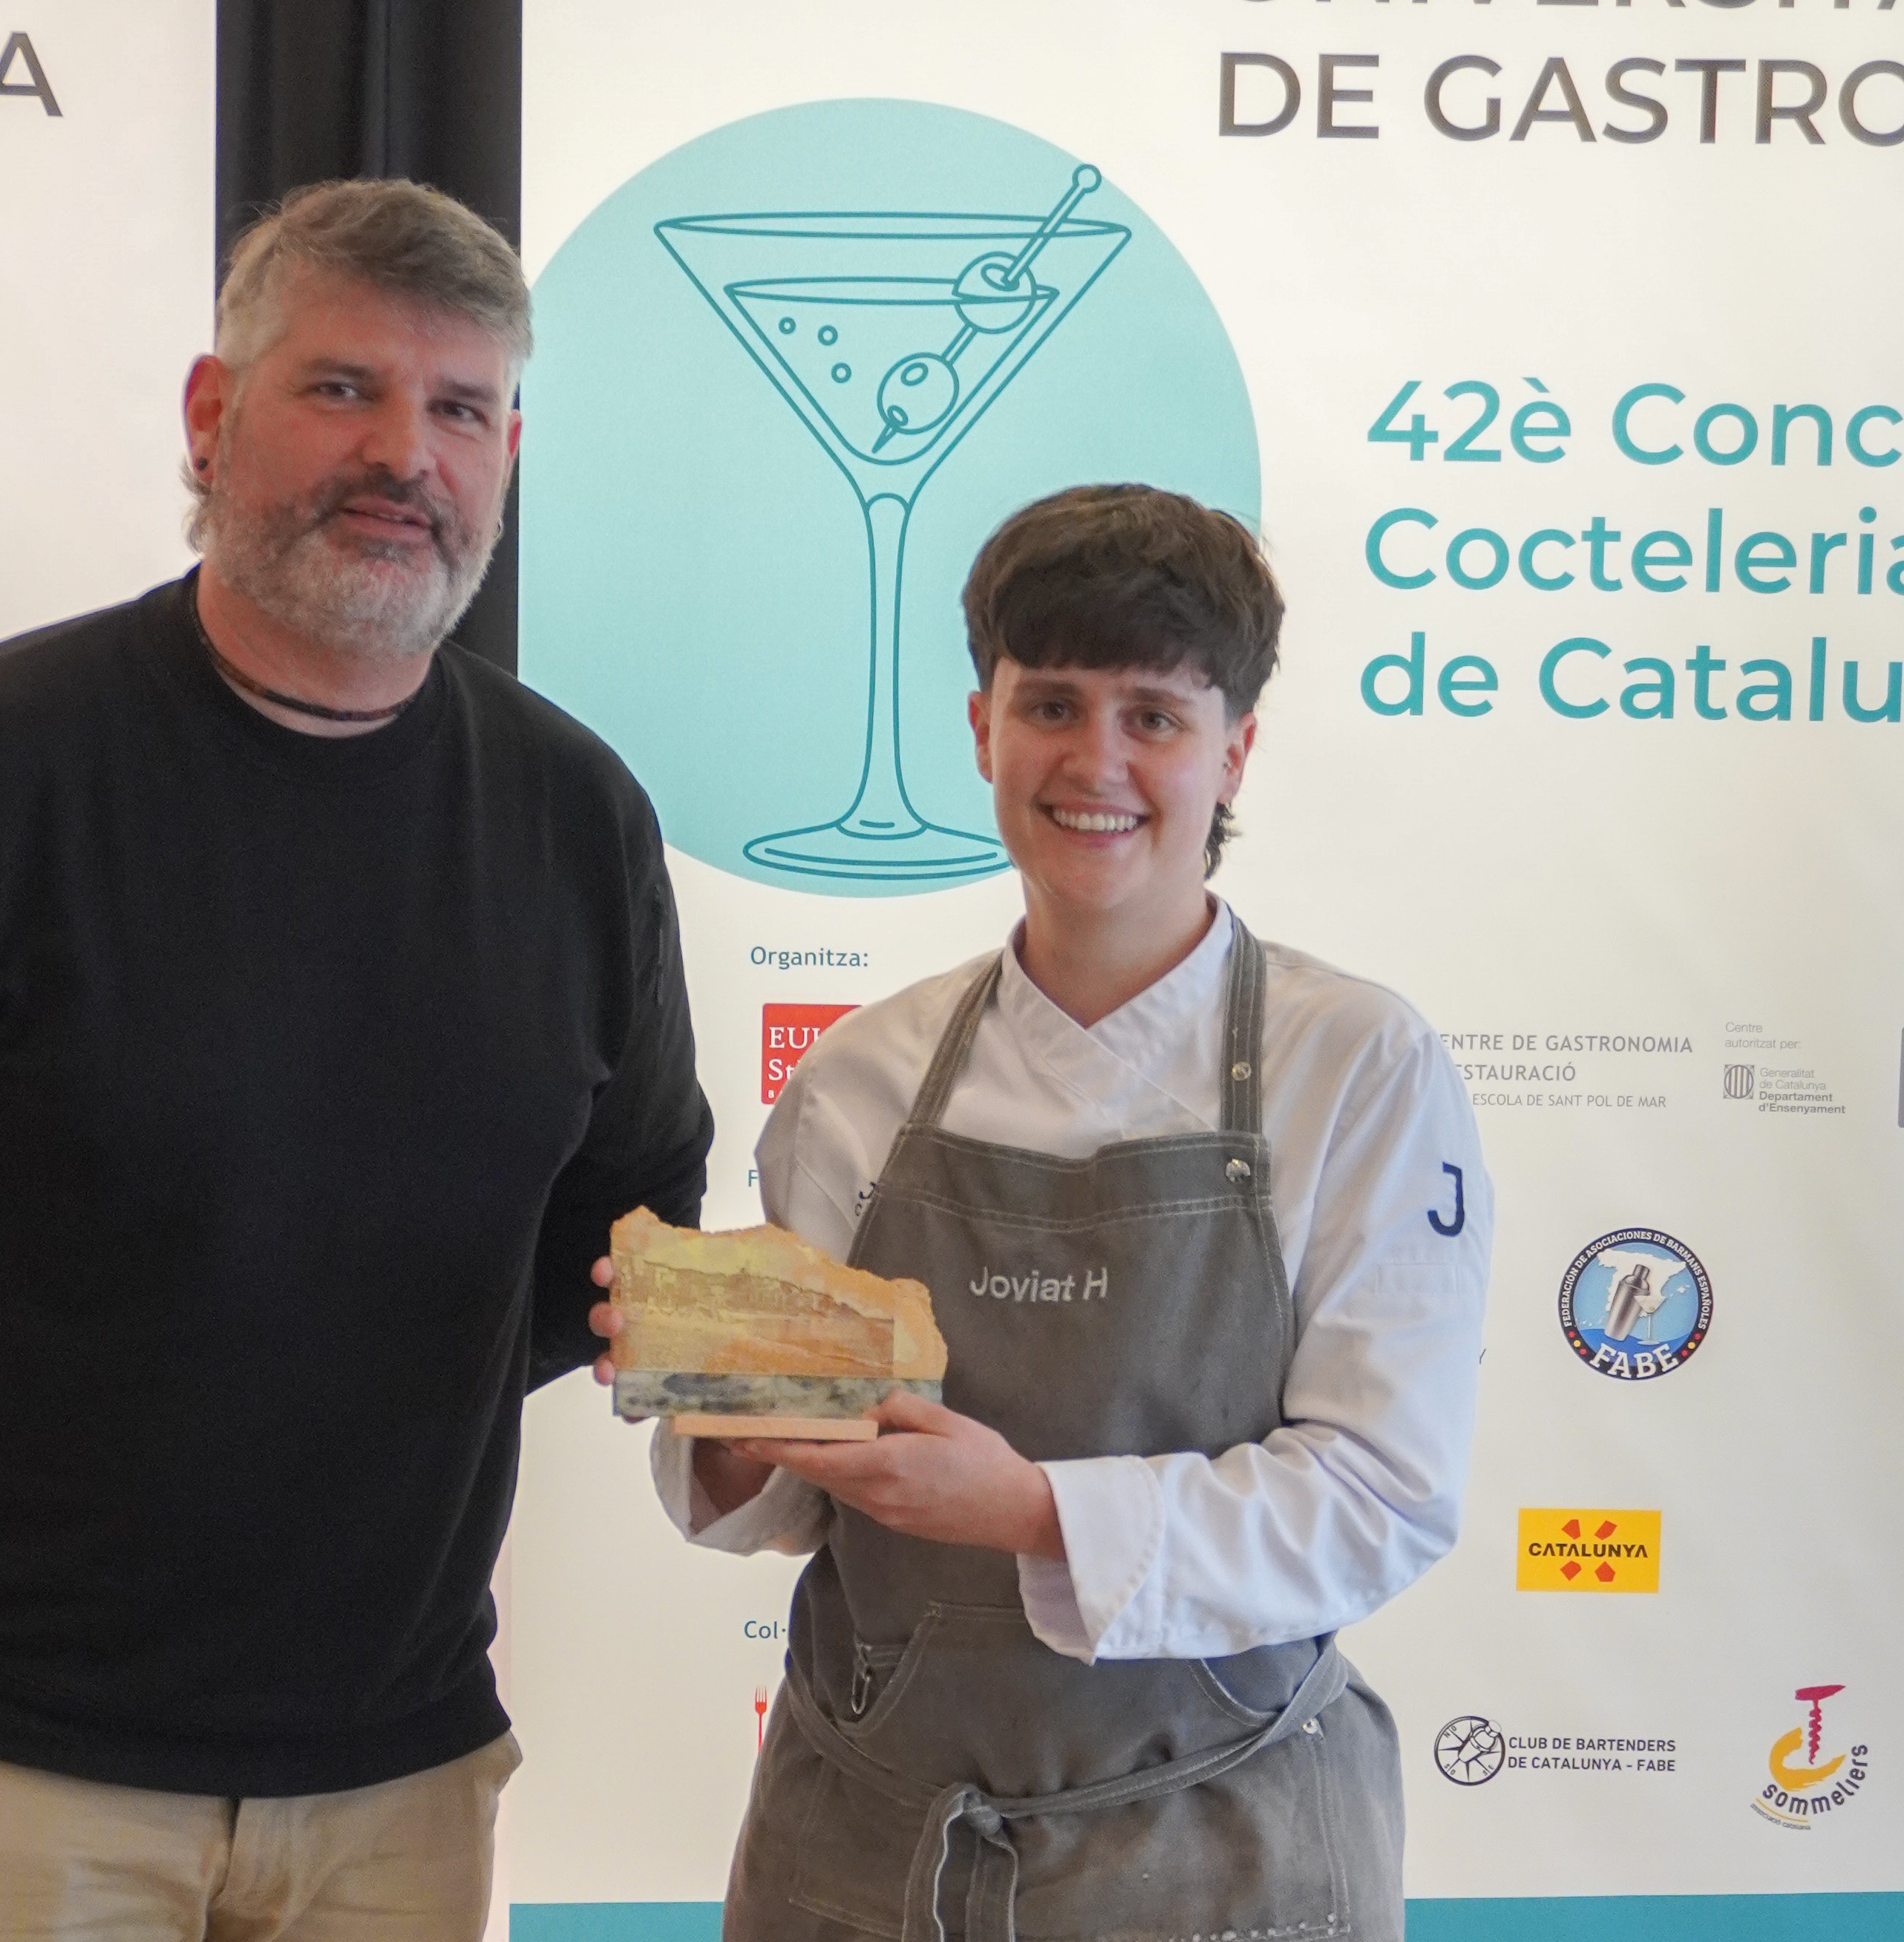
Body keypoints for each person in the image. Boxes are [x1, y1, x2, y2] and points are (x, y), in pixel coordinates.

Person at [0, 178, 711, 1942]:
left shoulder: (575, 816)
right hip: (2, 1774)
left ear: (508, 454)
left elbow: (623, 1235)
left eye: (460, 409)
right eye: (341, 388)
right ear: (211, 416)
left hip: (396, 1778)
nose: (406, 454)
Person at [595, 485, 1490, 1942]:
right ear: (980, 728)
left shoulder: (1357, 1068)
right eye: (1052, 706)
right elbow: (788, 1503)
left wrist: (1031, 1512)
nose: (1096, 761)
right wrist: (724, 1409)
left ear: (1234, 750)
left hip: (1222, 1849)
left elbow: (1378, 1497)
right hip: (865, 1844)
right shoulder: (860, 1078)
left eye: (1154, 716)